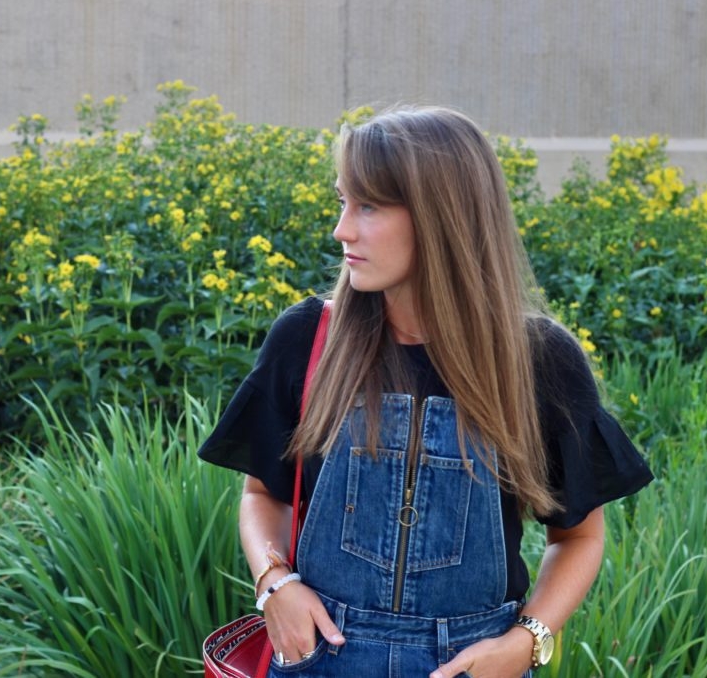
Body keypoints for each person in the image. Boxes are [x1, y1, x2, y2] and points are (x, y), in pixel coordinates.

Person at [198, 106, 653, 678]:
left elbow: (580, 535)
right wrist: (275, 584)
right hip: (321, 659)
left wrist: (526, 641)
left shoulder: (535, 362)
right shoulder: (309, 339)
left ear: (442, 217)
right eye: (343, 201)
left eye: (368, 206)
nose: (342, 229)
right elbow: (262, 495)